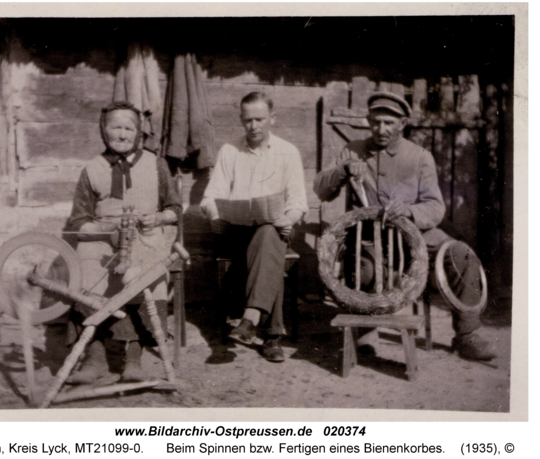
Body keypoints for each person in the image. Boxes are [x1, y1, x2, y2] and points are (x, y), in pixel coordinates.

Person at [313, 91, 496, 361]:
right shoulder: (352, 150)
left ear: (403, 123)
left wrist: (409, 211)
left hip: (417, 235)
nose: (381, 129)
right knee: (361, 267)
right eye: (375, 122)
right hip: (370, 236)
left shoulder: (419, 156)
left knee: (462, 255)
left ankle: (467, 335)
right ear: (368, 121)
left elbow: (435, 207)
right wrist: (344, 170)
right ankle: (365, 333)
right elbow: (320, 189)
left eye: (389, 122)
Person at [65, 101, 181, 385]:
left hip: (146, 237)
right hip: (103, 238)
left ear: (138, 132)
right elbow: (79, 223)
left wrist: (156, 218)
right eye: (115, 126)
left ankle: (134, 359)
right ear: (104, 131)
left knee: (141, 274)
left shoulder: (156, 164)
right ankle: (95, 358)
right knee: (85, 267)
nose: (122, 133)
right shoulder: (92, 168)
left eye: (129, 127)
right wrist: (108, 229)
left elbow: (175, 210)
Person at [200, 92, 308, 362]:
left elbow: (298, 202)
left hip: (275, 229)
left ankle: (250, 319)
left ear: (272, 117)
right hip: (236, 234)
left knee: (269, 234)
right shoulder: (230, 151)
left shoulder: (288, 152)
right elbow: (210, 198)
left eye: (260, 119)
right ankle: (272, 336)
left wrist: (289, 218)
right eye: (248, 120)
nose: (254, 126)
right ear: (241, 120)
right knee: (269, 245)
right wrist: (215, 216)